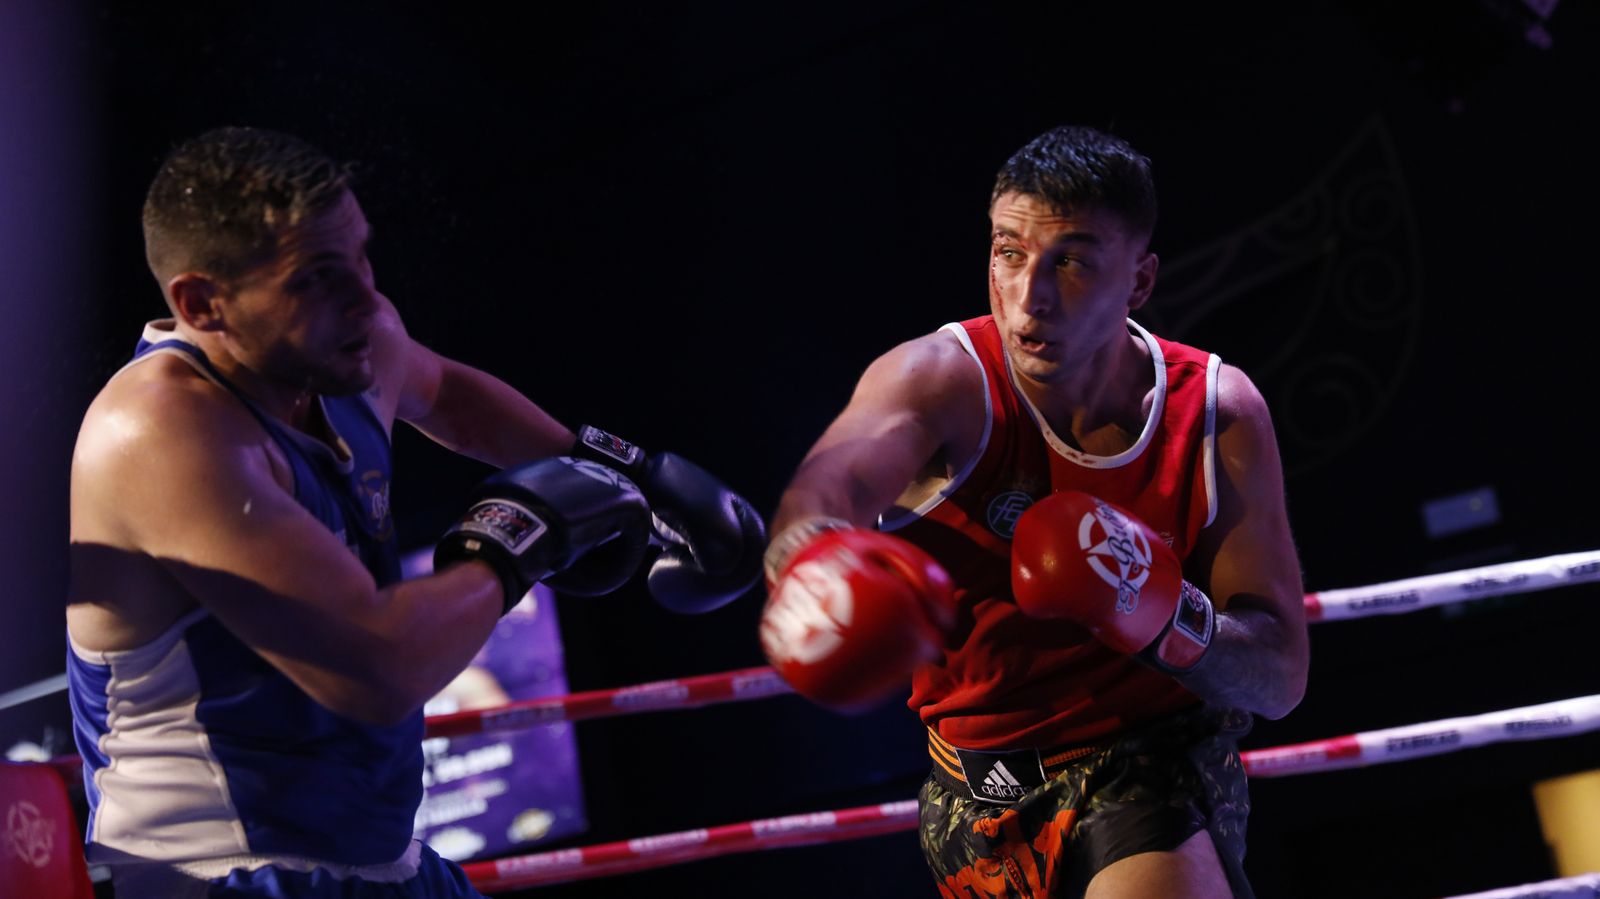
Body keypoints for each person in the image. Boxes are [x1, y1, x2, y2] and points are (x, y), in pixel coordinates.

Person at [65, 126, 765, 898]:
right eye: (316, 278)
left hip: (382, 860)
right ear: (203, 303)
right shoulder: (161, 431)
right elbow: (376, 668)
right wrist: (510, 543)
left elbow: (451, 398)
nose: (364, 297)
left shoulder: (344, 349)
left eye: (361, 256)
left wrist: (622, 473)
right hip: (214, 873)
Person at [758, 125, 1309, 898]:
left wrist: (1161, 613)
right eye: (1009, 252)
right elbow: (825, 493)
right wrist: (816, 568)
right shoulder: (940, 381)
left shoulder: (1216, 410)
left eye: (1072, 262)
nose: (1030, 296)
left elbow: (1279, 677)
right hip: (969, 793)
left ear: (1140, 281)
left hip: (1151, 768)